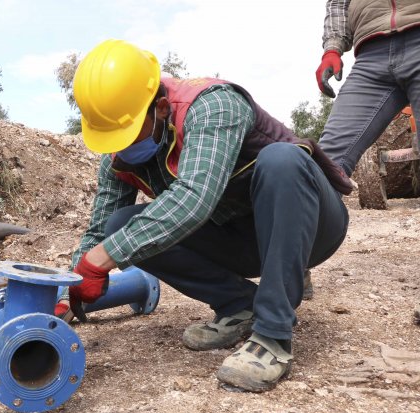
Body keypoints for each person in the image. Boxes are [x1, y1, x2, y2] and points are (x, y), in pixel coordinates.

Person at [65, 40, 353, 392]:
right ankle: (239, 304)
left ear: (159, 108)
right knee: (118, 227)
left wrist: (101, 260)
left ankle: (273, 336)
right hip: (241, 241)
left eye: (128, 133)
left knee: (283, 160)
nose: (121, 147)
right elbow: (98, 233)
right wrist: (69, 287)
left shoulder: (212, 105)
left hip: (313, 227)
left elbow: (193, 198)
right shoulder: (119, 156)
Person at [314, 0, 420, 324]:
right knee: (320, 166)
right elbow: (338, 3)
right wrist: (332, 48)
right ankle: (293, 263)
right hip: (371, 55)